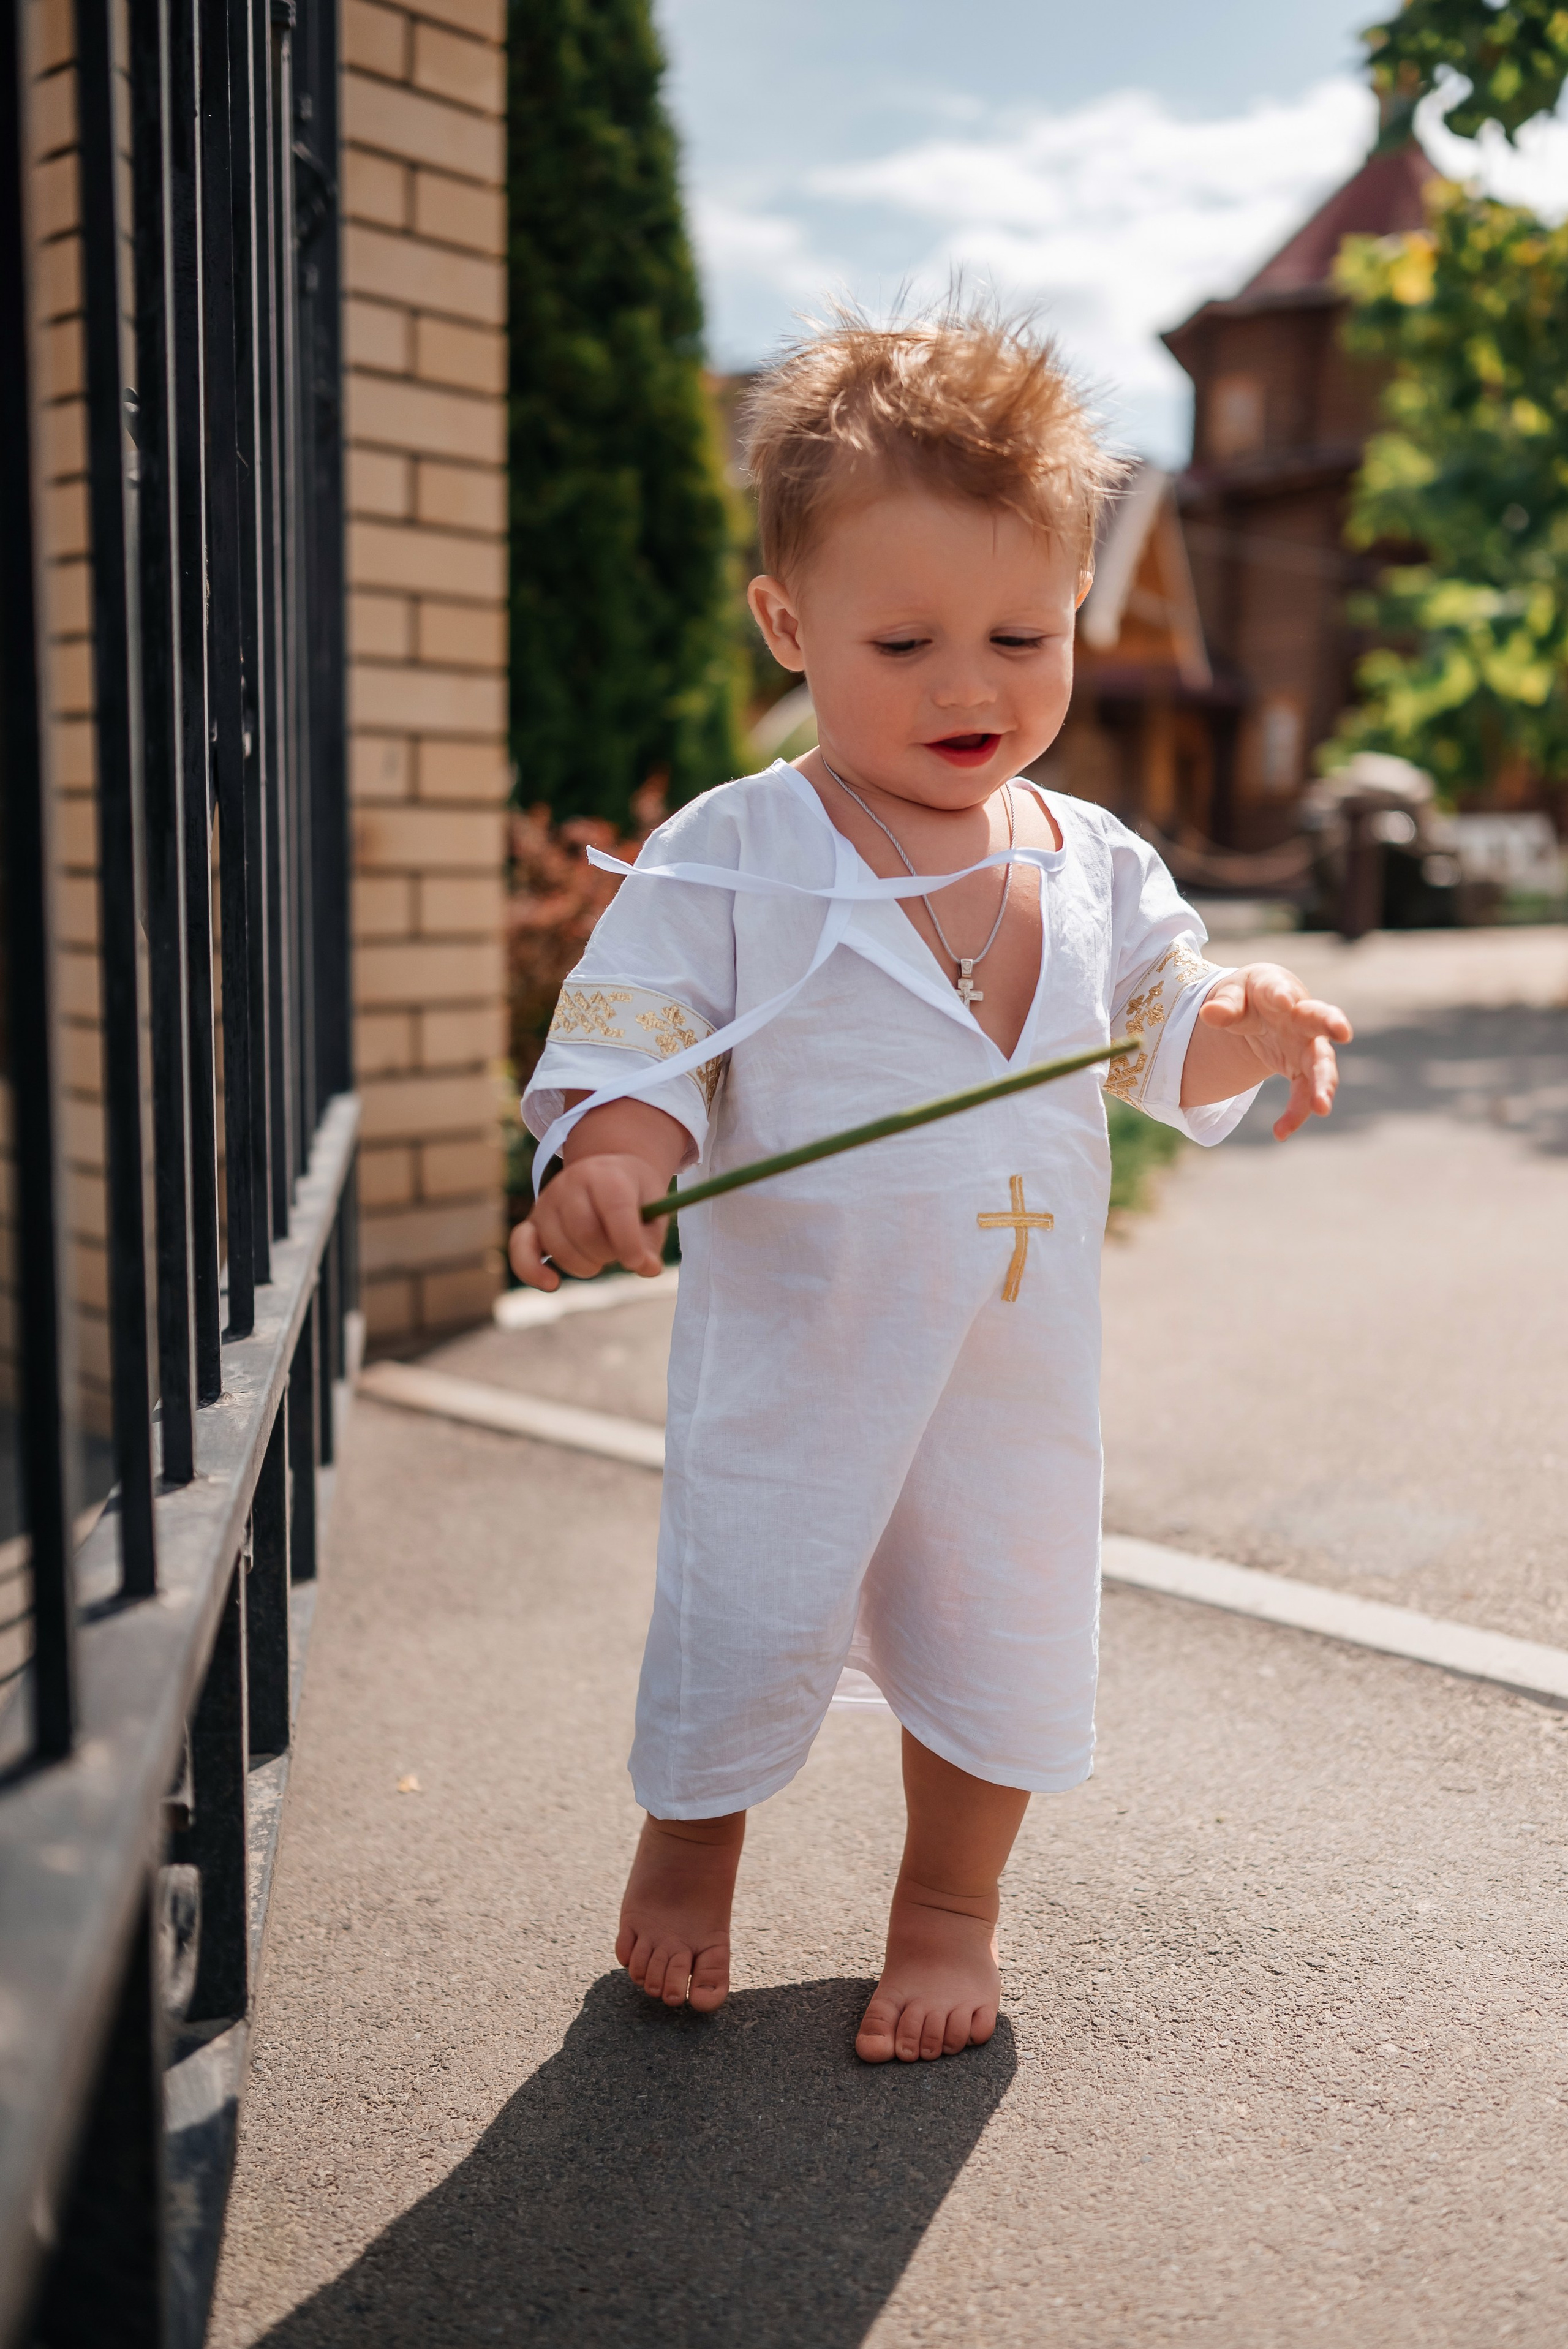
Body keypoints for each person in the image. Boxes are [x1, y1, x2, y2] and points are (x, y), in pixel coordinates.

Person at [512, 304, 1352, 2065]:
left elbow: (1161, 1033)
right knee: (750, 1599)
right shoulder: (740, 848)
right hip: (805, 1352)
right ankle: (690, 1855)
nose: (970, 688)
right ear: (787, 624)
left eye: (1021, 636)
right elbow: (643, 1033)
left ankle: (951, 1909)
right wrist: (614, 1154)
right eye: (904, 643)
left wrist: (1245, 1024)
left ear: (1076, 608)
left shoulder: (1094, 860)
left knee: (1000, 1614)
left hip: (1010, 1367)